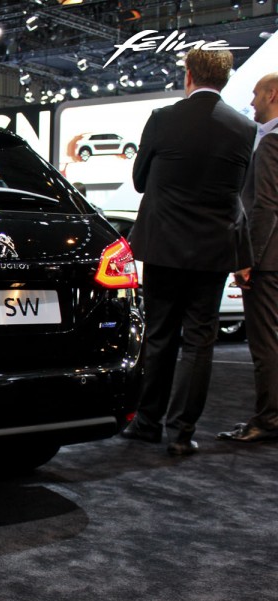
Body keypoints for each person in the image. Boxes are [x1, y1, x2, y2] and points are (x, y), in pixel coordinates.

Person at [119, 49, 256, 456]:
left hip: (163, 246)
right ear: (226, 80)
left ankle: (147, 423)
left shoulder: (163, 119)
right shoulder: (244, 127)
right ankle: (181, 433)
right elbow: (237, 191)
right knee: (200, 342)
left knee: (159, 336)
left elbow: (141, 180)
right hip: (213, 250)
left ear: (189, 76)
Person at [218, 72, 278, 443]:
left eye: (256, 94)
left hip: (268, 262)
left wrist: (248, 259)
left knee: (265, 343)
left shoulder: (271, 143)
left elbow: (265, 208)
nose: (252, 102)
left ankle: (270, 418)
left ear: (272, 94)